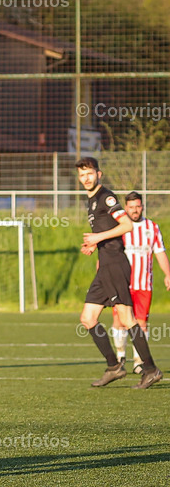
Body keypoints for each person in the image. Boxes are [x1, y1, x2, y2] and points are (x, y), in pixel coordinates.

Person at [76, 158, 161, 389]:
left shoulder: (106, 197)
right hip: (105, 266)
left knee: (127, 319)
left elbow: (127, 225)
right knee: (88, 318)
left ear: (99, 174)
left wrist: (98, 237)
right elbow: (108, 229)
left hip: (115, 265)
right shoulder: (92, 200)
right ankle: (114, 367)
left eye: (89, 173)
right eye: (82, 175)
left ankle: (150, 369)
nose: (86, 178)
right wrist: (95, 244)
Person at [111, 192, 170, 373]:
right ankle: (120, 356)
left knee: (141, 322)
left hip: (143, 284)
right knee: (119, 320)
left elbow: (160, 252)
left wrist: (168, 274)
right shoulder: (120, 227)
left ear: (142, 206)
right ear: (126, 208)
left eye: (137, 206)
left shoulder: (152, 227)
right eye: (131, 207)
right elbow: (108, 253)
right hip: (121, 282)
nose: (135, 210)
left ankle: (139, 361)